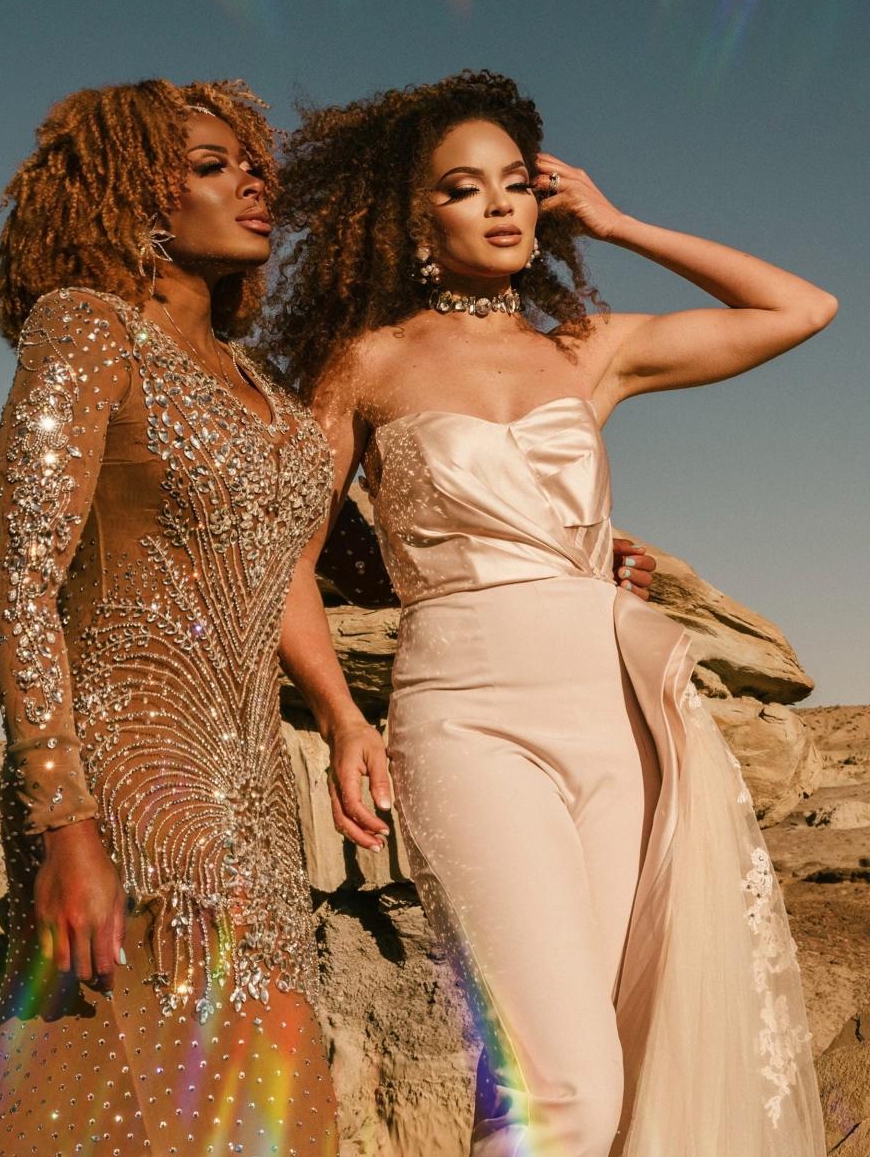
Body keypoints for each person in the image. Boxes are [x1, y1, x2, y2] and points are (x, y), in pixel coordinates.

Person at [266, 69, 834, 1157]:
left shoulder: (590, 347)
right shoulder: (364, 362)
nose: (502, 205)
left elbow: (800, 307)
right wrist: (343, 717)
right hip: (467, 718)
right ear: (412, 217)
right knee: (560, 1086)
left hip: (619, 719)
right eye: (464, 187)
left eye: (518, 183)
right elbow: (286, 554)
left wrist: (620, 224)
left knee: (628, 1062)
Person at [0, 77, 351, 1156]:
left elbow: (282, 572)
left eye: (253, 162)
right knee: (118, 1100)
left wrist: (346, 719)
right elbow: (18, 587)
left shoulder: (260, 380)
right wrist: (63, 821)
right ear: (133, 199)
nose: (254, 181)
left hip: (257, 793)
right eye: (212, 166)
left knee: (250, 1105)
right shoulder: (86, 330)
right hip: (126, 783)